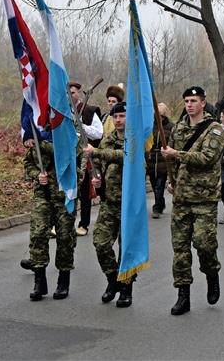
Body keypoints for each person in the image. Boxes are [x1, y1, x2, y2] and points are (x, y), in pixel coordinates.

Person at [161, 86, 224, 316]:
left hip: (204, 198)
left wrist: (176, 155)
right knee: (180, 248)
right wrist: (172, 179)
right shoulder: (178, 129)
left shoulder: (214, 129)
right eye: (187, 100)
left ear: (203, 103)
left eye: (194, 100)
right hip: (181, 199)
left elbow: (207, 159)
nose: (189, 104)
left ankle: (211, 273)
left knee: (203, 243)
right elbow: (175, 161)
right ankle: (183, 295)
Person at [85, 101, 135, 307]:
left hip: (130, 203)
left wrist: (96, 152)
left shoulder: (136, 138)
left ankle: (126, 288)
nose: (118, 120)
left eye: (122, 116)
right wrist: (96, 177)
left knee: (126, 249)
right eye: (115, 117)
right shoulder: (108, 139)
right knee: (101, 243)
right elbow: (97, 163)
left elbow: (125, 156)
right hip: (109, 201)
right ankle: (112, 279)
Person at [23, 131, 80, 301]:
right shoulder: (37, 135)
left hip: (65, 195)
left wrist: (41, 143)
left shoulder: (71, 136)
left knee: (64, 238)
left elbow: (78, 165)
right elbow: (28, 163)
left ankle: (63, 281)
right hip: (43, 194)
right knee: (38, 234)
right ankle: (39, 281)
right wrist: (36, 175)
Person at [69, 81, 104, 236]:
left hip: (84, 156)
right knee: (67, 191)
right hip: (68, 156)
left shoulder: (89, 111)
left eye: (73, 92)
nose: (70, 95)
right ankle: (65, 223)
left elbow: (98, 133)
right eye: (68, 92)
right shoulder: (61, 111)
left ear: (78, 93)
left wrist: (81, 126)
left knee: (84, 193)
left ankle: (84, 224)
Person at [147, 102, 174, 218]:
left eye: (161, 116)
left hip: (163, 160)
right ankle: (161, 202)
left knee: (159, 185)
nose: (158, 118)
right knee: (154, 185)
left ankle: (157, 208)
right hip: (152, 159)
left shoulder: (171, 127)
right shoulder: (150, 126)